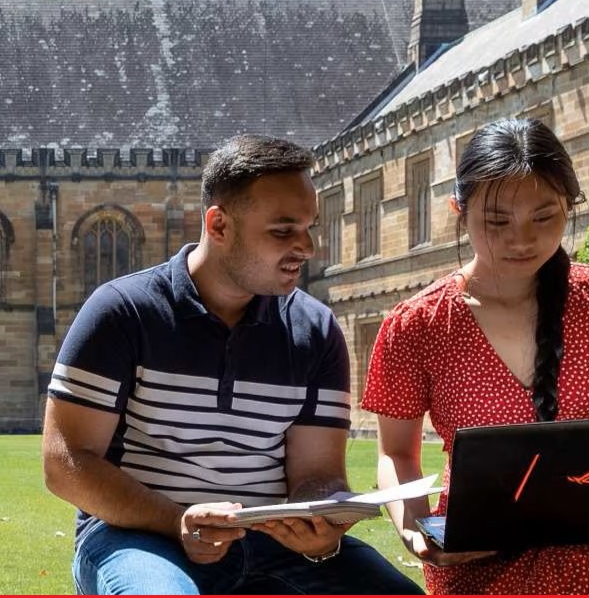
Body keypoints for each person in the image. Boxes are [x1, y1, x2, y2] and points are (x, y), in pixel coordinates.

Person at [42, 134, 423, 595]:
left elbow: (317, 476)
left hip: (272, 544)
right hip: (138, 539)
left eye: (309, 227)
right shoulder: (124, 312)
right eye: (283, 231)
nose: (307, 247)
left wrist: (322, 519)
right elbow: (65, 464)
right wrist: (176, 521)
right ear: (219, 225)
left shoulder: (315, 329)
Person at [361, 118, 589, 595]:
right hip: (477, 565)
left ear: (569, 206)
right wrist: (417, 532)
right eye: (497, 222)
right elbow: (394, 452)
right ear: (459, 209)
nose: (522, 240)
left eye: (545, 216)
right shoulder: (417, 325)